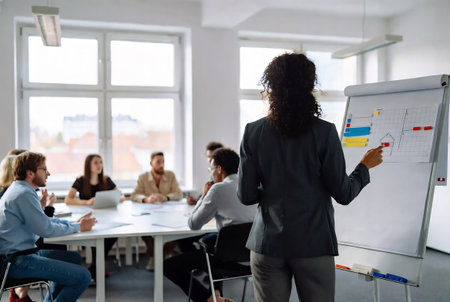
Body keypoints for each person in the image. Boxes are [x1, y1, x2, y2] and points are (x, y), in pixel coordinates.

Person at [237, 53, 383, 302]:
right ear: (310, 86)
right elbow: (344, 193)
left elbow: (247, 196)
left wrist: (274, 192)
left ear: (271, 86)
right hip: (313, 244)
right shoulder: (324, 133)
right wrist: (364, 167)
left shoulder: (253, 132)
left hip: (267, 244)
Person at [0, 151, 97, 302]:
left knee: (73, 258)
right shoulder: (23, 194)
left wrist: (76, 224)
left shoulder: (21, 189)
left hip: (22, 255)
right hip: (18, 260)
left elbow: (45, 222)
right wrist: (79, 227)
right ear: (30, 173)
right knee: (83, 276)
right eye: (44, 169)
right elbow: (46, 229)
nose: (48, 173)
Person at [164, 148, 257, 302]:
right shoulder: (251, 185)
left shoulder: (218, 189)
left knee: (168, 266)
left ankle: (207, 299)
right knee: (213, 244)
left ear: (219, 169)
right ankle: (216, 294)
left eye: (211, 168)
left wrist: (204, 196)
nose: (211, 173)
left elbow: (194, 224)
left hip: (230, 259)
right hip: (255, 258)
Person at [1, 149, 64, 302]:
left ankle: (19, 293)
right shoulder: (18, 193)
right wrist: (48, 208)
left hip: (15, 250)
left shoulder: (16, 191)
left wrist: (41, 207)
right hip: (16, 255)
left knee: (63, 250)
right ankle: (20, 293)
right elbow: (41, 228)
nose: (47, 173)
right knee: (59, 247)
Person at [64, 153, 124, 280]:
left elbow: (122, 196)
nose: (99, 165)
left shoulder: (106, 180)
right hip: (87, 217)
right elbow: (68, 199)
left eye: (101, 162)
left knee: (113, 234)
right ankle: (99, 266)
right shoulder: (80, 180)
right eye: (96, 162)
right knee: (95, 235)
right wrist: (86, 202)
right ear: (88, 165)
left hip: (105, 217)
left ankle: (96, 265)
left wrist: (111, 199)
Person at [130, 151, 183, 270]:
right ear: (151, 163)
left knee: (177, 229)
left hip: (169, 214)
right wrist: (146, 199)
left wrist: (167, 197)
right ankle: (155, 256)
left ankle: (165, 253)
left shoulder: (170, 175)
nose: (161, 164)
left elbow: (178, 194)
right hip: (150, 214)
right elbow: (134, 195)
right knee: (146, 232)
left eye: (163, 161)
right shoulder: (143, 177)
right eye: (158, 162)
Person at [186, 141, 224, 206]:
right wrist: (197, 201)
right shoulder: (213, 172)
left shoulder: (223, 174)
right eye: (209, 157)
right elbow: (208, 191)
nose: (210, 160)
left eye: (213, 157)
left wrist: (200, 201)